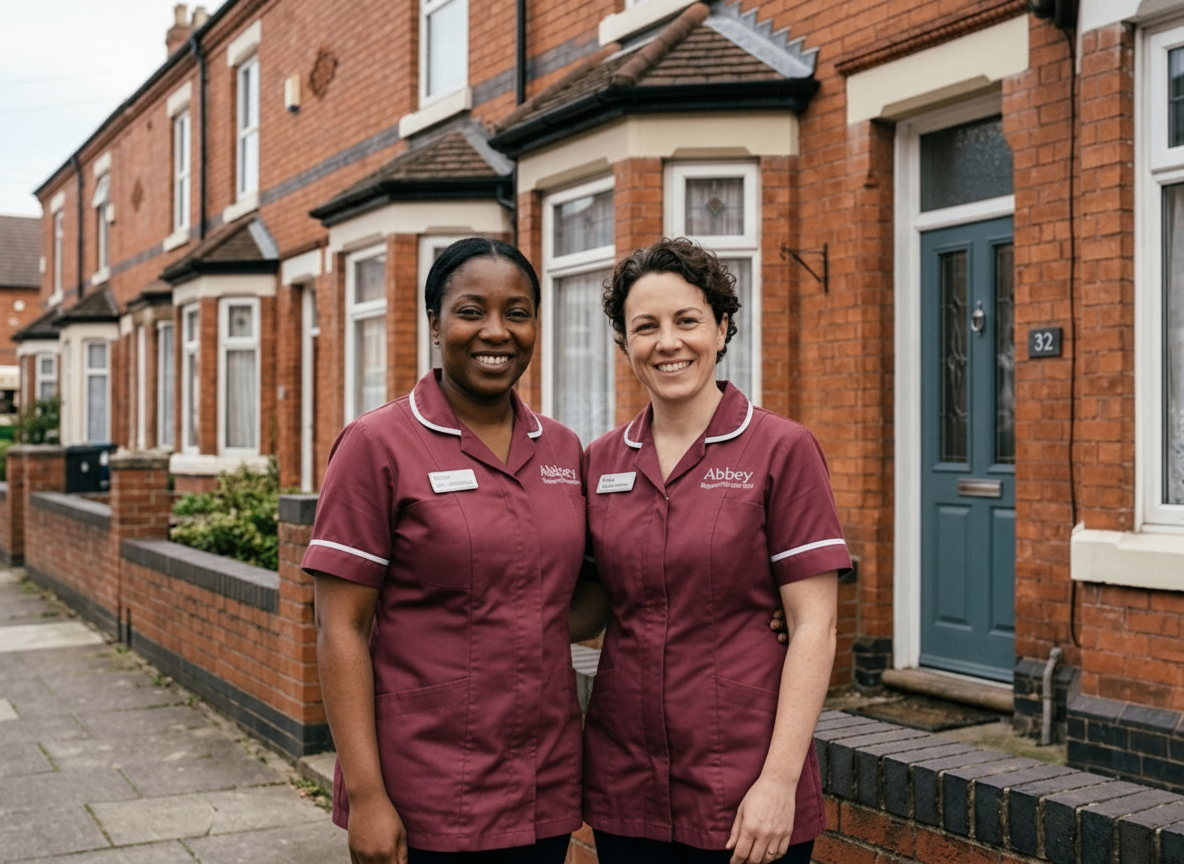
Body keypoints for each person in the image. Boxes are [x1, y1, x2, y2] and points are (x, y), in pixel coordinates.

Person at [303, 237, 585, 864]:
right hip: (425, 787)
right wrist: (370, 798)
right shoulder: (376, 444)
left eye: (517, 312)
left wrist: (754, 602)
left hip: (544, 781)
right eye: (470, 311)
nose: (496, 331)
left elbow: (585, 597)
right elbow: (339, 627)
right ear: (434, 323)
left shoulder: (564, 451)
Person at [581, 238, 850, 864]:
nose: (667, 342)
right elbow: (587, 608)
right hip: (628, 786)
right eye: (644, 327)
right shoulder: (599, 462)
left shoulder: (783, 449)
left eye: (687, 321)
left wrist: (779, 783)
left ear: (723, 327)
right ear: (625, 345)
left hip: (746, 787)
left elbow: (816, 625)